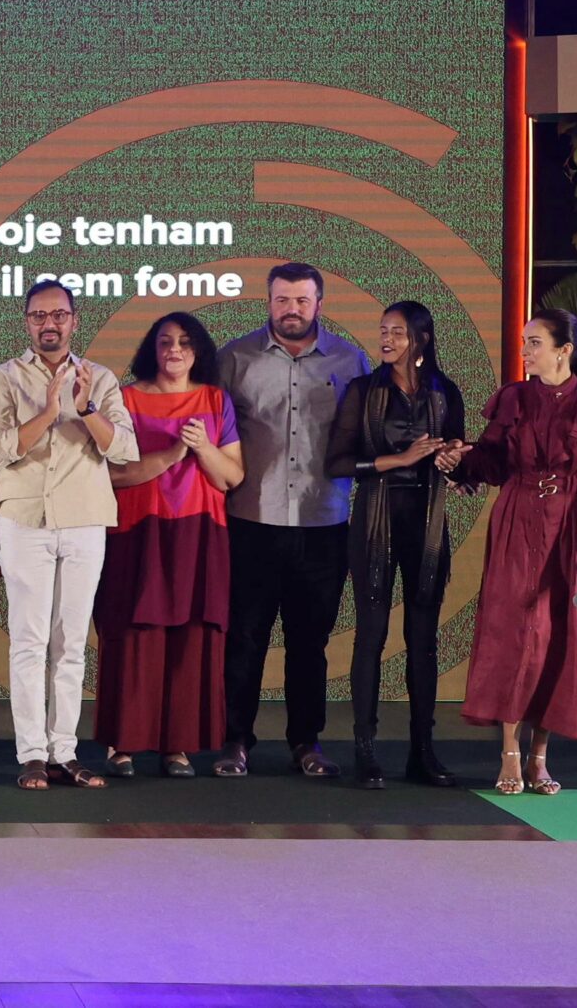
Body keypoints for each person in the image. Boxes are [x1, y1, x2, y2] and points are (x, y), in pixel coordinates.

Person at [439, 308, 577, 795]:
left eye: (535, 342)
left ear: (564, 350)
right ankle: (509, 752)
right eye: (525, 341)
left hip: (572, 529)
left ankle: (539, 758)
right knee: (511, 632)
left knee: (556, 637)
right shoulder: (514, 398)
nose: (525, 350)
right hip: (517, 522)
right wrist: (459, 461)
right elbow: (493, 463)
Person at [0, 281, 137, 791]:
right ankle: (31, 754)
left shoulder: (100, 378)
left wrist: (86, 409)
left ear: (74, 320)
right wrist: (48, 413)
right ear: (27, 321)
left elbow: (124, 449)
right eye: (39, 315)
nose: (50, 324)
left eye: (59, 315)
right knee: (29, 641)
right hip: (25, 521)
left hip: (85, 521)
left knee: (70, 644)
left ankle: (63, 752)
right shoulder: (4, 377)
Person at [216, 262, 369, 778]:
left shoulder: (350, 360)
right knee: (244, 637)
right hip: (251, 521)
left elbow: (366, 433)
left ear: (320, 304)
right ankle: (235, 740)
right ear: (268, 301)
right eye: (282, 300)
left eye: (302, 300)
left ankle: (306, 743)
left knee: (310, 643)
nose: (292, 310)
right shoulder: (234, 358)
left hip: (323, 523)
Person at [94, 313, 242, 780]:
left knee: (191, 634)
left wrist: (203, 449)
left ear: (198, 350)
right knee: (133, 633)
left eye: (184, 342)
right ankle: (122, 744)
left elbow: (231, 477)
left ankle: (177, 746)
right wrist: (172, 454)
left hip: (199, 533)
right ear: (152, 349)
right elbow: (111, 474)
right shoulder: (127, 398)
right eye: (165, 341)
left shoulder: (215, 400)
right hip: (138, 530)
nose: (174, 350)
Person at [328, 300, 467, 789]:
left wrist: (456, 462)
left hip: (426, 524)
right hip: (375, 521)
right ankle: (365, 752)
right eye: (383, 330)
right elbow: (337, 464)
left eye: (398, 332)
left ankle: (422, 752)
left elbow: (458, 458)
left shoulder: (445, 391)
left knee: (423, 641)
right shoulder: (363, 391)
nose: (386, 340)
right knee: (371, 636)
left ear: (421, 339)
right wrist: (400, 459)